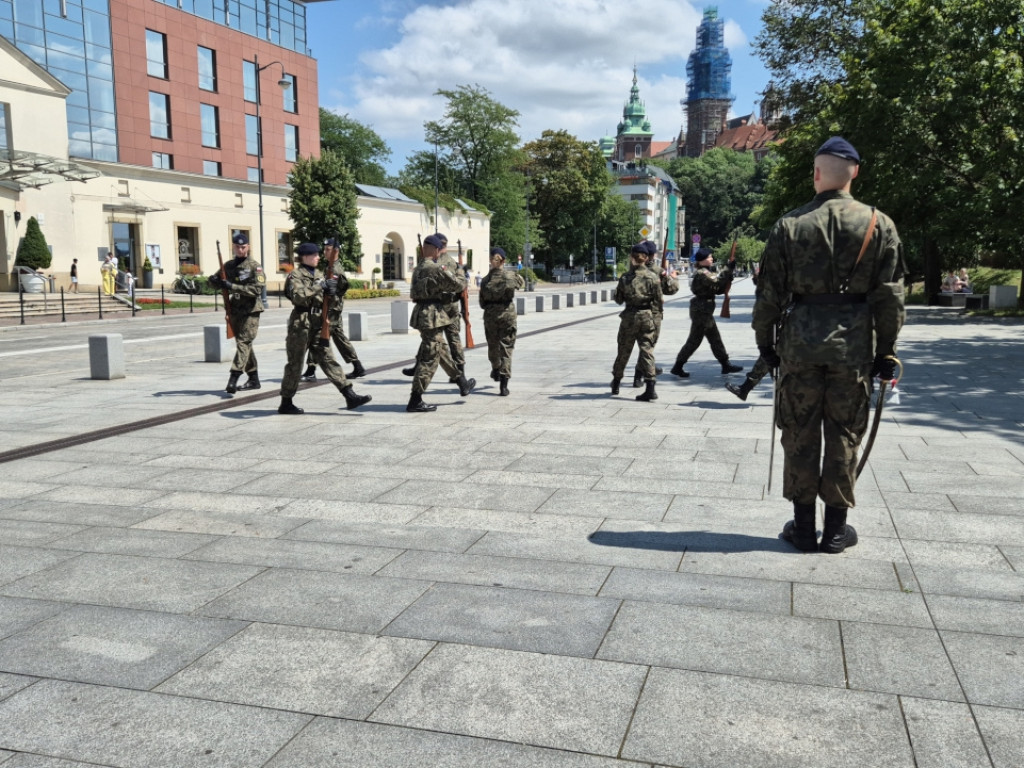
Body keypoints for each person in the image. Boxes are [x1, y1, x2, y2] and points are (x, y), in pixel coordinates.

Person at [753, 136, 905, 555]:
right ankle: (836, 530)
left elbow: (769, 295)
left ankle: (803, 528)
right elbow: (890, 296)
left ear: (817, 173)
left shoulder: (790, 225)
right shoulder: (879, 223)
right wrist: (886, 351)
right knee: (844, 433)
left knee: (799, 432)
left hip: (800, 346)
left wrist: (766, 346)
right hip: (852, 347)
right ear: (854, 171)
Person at [277, 242, 371, 414]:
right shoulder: (295, 276)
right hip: (301, 324)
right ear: (305, 257)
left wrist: (332, 292)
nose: (318, 257)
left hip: (318, 324)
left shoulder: (321, 273)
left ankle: (350, 395)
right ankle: (286, 402)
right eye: (314, 255)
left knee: (328, 359)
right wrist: (320, 286)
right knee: (295, 364)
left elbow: (329, 296)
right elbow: (298, 297)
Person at [407, 234, 476, 412]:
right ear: (436, 250)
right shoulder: (435, 268)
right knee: (430, 359)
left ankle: (462, 382)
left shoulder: (418, 268)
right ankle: (415, 400)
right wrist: (461, 272)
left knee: (441, 350)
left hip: (423, 314)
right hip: (433, 315)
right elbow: (458, 285)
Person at [301, 237, 367, 383]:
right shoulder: (329, 267)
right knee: (340, 339)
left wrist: (331, 299)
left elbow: (340, 289)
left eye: (328, 250)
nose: (325, 252)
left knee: (318, 336)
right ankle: (358, 366)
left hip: (332, 310)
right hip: (332, 308)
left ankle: (311, 370)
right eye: (324, 249)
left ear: (336, 251)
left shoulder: (335, 268)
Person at [669, 248, 743, 378]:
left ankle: (725, 365)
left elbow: (718, 289)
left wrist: (728, 276)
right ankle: (678, 366)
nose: (712, 259)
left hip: (704, 310)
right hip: (701, 311)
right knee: (694, 341)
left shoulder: (706, 272)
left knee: (715, 339)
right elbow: (717, 281)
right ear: (702, 261)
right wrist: (728, 269)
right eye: (709, 257)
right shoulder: (703, 273)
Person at [208, 233, 265, 394]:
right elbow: (215, 283)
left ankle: (234, 377)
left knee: (244, 343)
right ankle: (254, 379)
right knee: (244, 344)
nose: (240, 250)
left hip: (251, 310)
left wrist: (232, 286)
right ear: (233, 247)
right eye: (237, 247)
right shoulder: (228, 265)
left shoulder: (255, 266)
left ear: (248, 247)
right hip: (235, 309)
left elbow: (257, 289)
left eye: (243, 247)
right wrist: (213, 280)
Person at [611, 243, 663, 402]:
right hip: (647, 316)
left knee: (623, 350)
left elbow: (619, 300)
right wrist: (655, 319)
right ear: (646, 258)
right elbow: (658, 300)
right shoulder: (653, 277)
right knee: (646, 351)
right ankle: (650, 386)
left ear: (632, 258)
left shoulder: (626, 278)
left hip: (629, 317)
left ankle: (617, 382)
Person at [632, 239, 679, 387]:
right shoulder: (656, 271)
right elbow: (671, 289)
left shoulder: (633, 269)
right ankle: (639, 375)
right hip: (653, 314)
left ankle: (647, 369)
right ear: (652, 255)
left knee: (645, 345)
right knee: (648, 345)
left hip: (634, 313)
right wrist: (673, 277)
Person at [479, 247, 525, 396]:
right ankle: (504, 385)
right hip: (507, 315)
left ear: (491, 260)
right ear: (503, 260)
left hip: (491, 316)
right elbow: (521, 284)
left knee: (493, 345)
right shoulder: (510, 276)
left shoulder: (485, 280)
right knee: (506, 347)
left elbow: (481, 303)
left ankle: (495, 367)